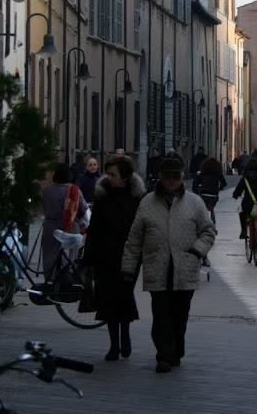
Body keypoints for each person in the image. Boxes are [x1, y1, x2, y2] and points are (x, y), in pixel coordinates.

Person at [121, 155, 216, 374]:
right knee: (161, 315)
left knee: (180, 316)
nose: (172, 181)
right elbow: (135, 239)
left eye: (176, 176)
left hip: (185, 268)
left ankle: (176, 350)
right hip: (157, 267)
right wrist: (128, 267)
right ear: (161, 178)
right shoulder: (147, 203)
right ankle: (163, 355)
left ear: (182, 177)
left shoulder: (194, 202)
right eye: (168, 177)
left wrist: (197, 251)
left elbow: (208, 230)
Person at [82, 155, 145, 361]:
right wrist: (88, 258)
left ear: (125, 176)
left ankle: (125, 337)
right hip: (105, 256)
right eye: (107, 174)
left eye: (113, 174)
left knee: (124, 296)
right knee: (107, 299)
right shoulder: (102, 197)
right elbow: (94, 230)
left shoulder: (137, 199)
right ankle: (113, 345)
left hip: (128, 256)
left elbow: (142, 229)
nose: (109, 178)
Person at [40, 163, 88, 279]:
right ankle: (66, 280)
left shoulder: (47, 191)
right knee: (69, 256)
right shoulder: (75, 191)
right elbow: (81, 210)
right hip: (70, 228)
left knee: (49, 256)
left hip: (50, 227)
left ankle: (49, 280)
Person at [232, 158, 257, 257]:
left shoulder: (245, 179)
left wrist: (236, 195)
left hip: (248, 205)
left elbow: (237, 191)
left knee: (241, 211)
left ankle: (244, 231)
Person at [192, 156, 227, 225]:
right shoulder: (218, 174)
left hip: (203, 194)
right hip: (214, 195)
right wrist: (219, 188)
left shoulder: (202, 174)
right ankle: (213, 222)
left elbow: (195, 185)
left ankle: (203, 222)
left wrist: (197, 192)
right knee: (211, 208)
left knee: (203, 208)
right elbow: (224, 183)